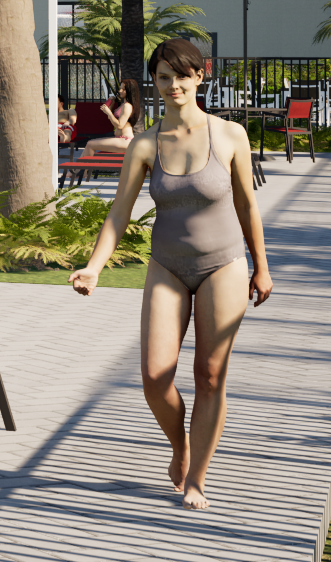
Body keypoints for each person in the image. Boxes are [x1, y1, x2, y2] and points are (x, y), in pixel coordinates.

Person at [70, 38, 273, 511]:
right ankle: (179, 446)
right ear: (154, 82)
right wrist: (95, 267)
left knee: (209, 373)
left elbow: (246, 204)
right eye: (164, 77)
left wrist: (262, 266)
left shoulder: (230, 135)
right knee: (155, 376)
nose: (174, 85)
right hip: (167, 266)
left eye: (183, 76)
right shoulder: (145, 142)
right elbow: (119, 212)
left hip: (224, 264)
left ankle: (197, 477)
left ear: (201, 76)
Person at [81, 78, 143, 158]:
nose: (120, 91)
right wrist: (111, 107)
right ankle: (76, 170)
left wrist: (109, 112)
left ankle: (80, 170)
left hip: (124, 140)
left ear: (130, 91)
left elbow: (119, 126)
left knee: (90, 144)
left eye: (123, 89)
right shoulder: (123, 105)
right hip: (119, 140)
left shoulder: (127, 106)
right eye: (120, 88)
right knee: (89, 145)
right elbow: (114, 120)